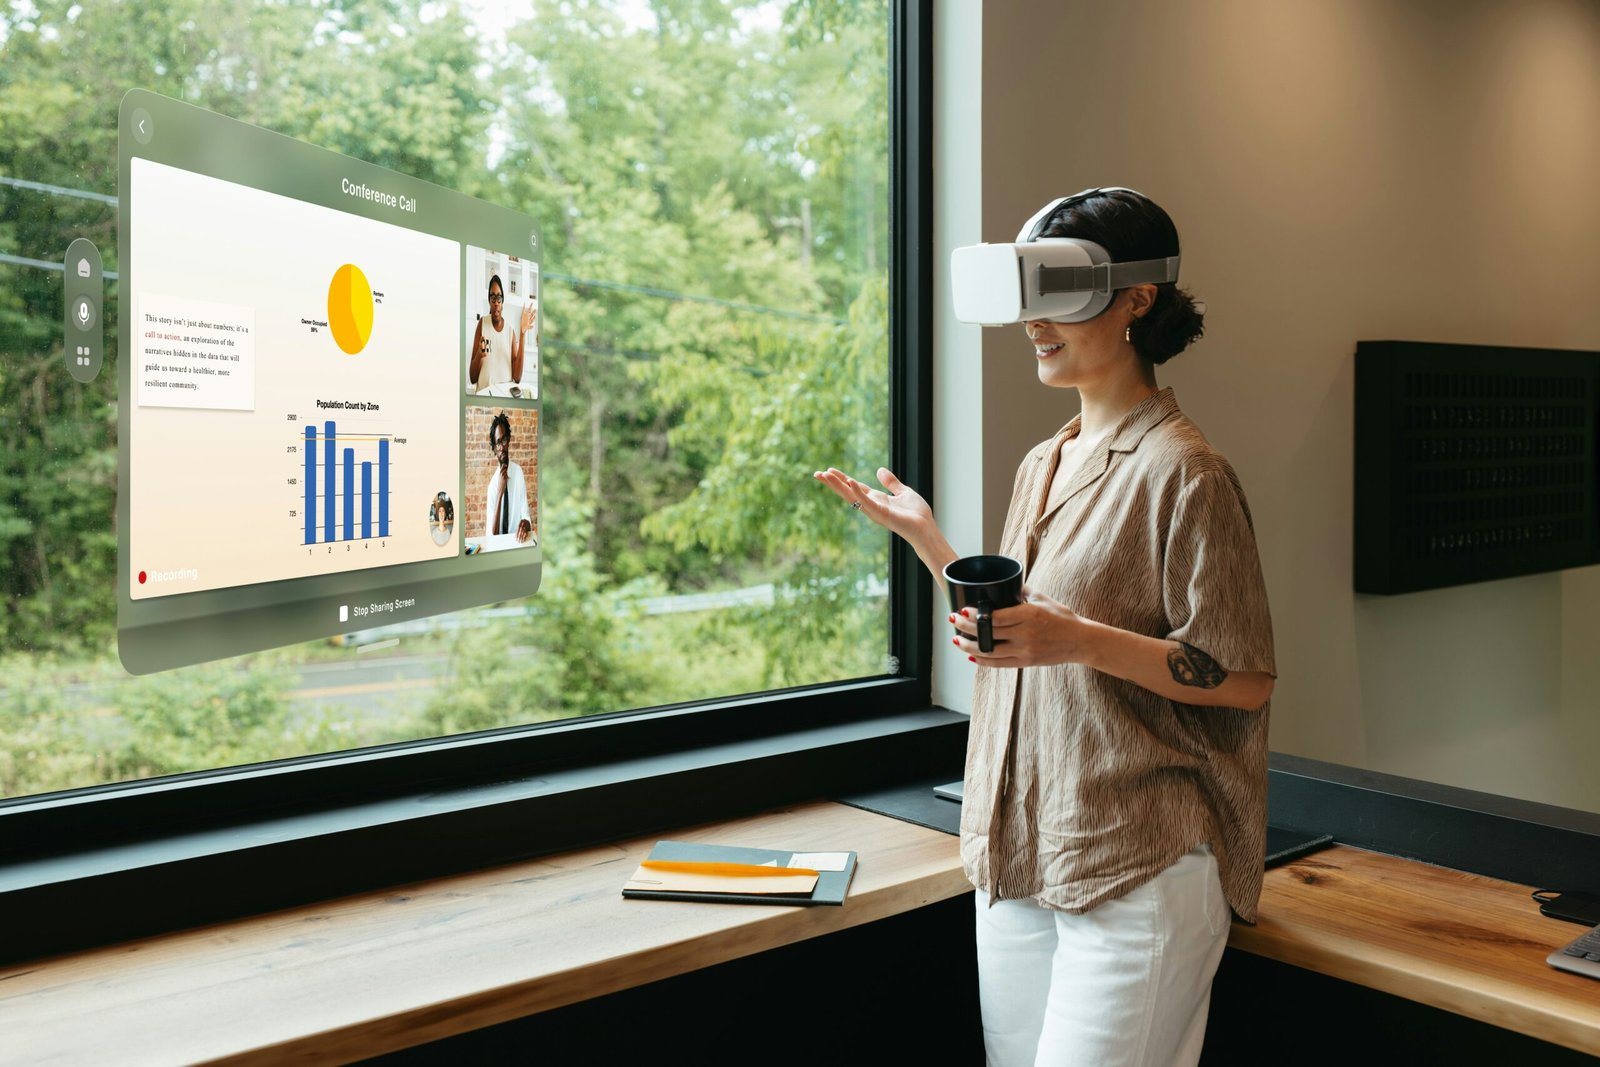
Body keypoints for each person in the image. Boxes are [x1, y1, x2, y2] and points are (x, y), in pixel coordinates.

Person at [814, 188, 1274, 1067]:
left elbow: (1244, 675)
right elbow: (1028, 631)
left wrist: (1085, 640)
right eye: (1024, 293)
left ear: (1139, 299)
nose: (1033, 321)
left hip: (1137, 862)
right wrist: (931, 539)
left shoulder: (1188, 472)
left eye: (1056, 290)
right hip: (1022, 848)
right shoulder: (1045, 459)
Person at [469, 274, 536, 393]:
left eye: (499, 298)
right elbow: (472, 378)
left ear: (502, 301)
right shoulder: (482, 323)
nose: (496, 303)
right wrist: (479, 353)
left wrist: (522, 332)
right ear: (489, 301)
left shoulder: (510, 331)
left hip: (504, 397)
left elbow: (517, 377)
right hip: (485, 396)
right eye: (493, 298)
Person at [485, 411, 532, 543]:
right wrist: (500, 493)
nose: (502, 447)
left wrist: (525, 524)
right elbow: (491, 535)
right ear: (494, 448)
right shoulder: (492, 486)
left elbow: (526, 517)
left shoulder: (518, 473)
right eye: (498, 443)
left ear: (509, 440)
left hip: (517, 543)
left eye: (504, 440)